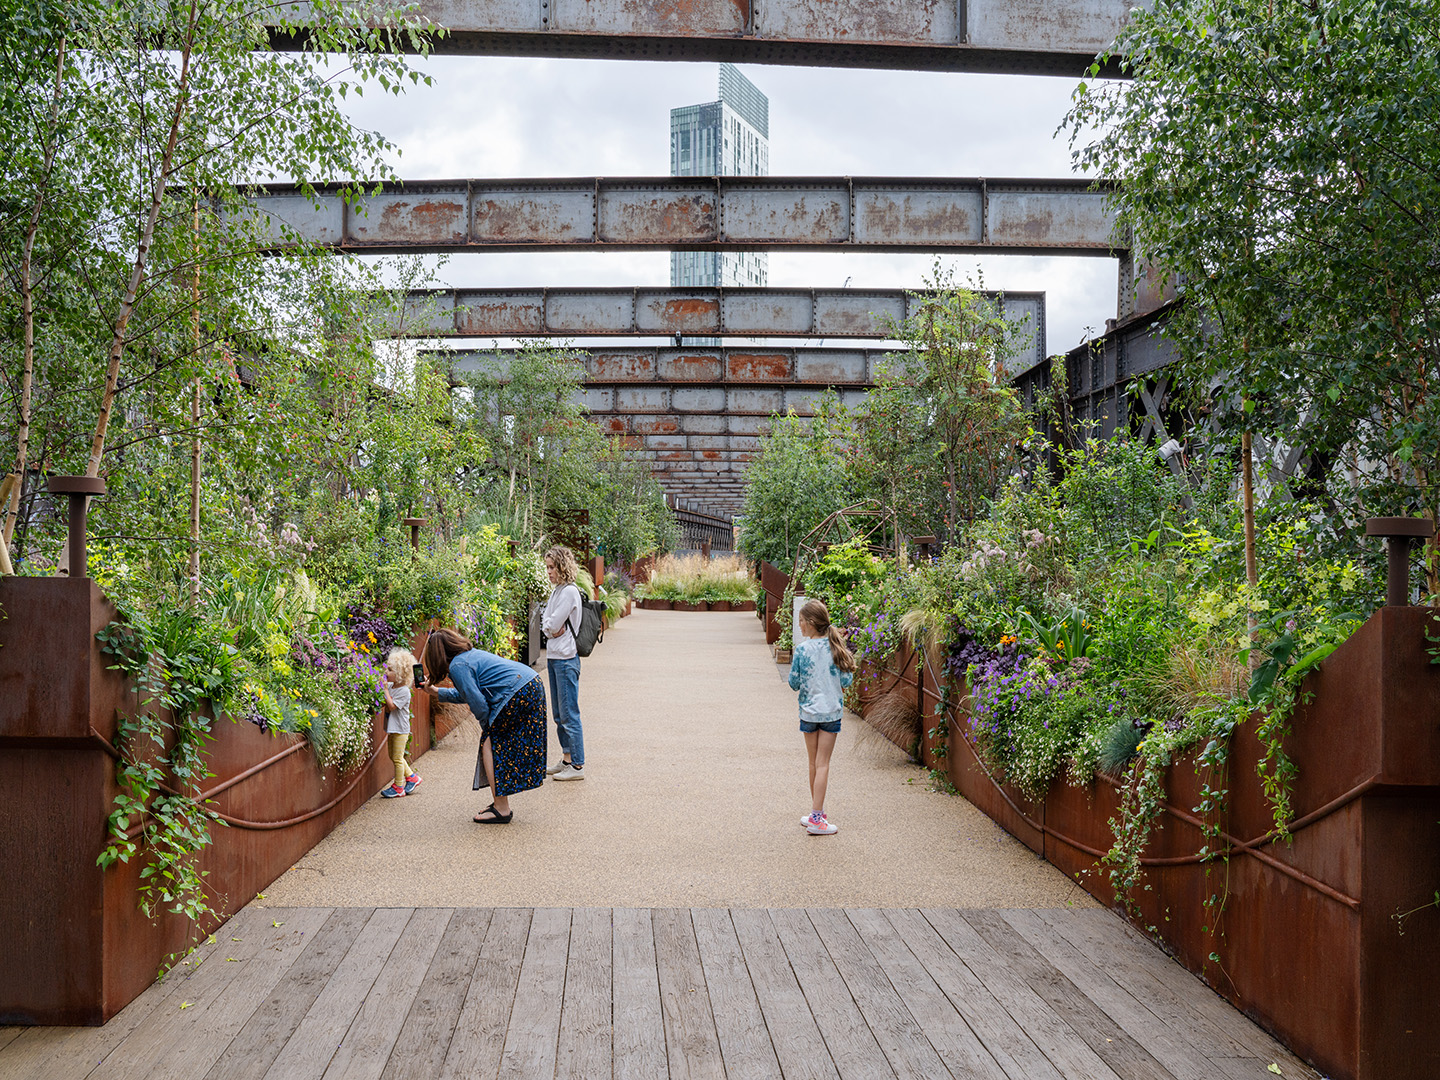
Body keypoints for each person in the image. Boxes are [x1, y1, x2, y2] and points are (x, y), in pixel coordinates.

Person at [422, 628, 546, 823]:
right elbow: (469, 695)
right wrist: (436, 692)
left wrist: (487, 727)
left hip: (518, 692)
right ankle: (500, 803)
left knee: (489, 742)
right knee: (493, 741)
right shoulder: (469, 657)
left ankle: (501, 808)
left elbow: (478, 703)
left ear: (437, 655)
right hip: (530, 684)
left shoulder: (457, 666)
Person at [788, 599, 856, 835]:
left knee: (813, 763)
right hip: (830, 713)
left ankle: (816, 813)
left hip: (808, 712)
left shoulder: (802, 650)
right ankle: (817, 817)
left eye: (800, 622)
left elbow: (793, 683)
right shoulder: (836, 648)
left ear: (809, 623)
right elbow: (847, 681)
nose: (799, 626)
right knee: (823, 763)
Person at [540, 545, 586, 781]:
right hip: (555, 657)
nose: (548, 572)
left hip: (567, 659)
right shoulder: (557, 591)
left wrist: (549, 626)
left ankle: (577, 766)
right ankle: (567, 758)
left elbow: (553, 625)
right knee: (559, 715)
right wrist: (549, 626)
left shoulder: (569, 592)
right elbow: (545, 623)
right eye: (547, 567)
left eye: (552, 567)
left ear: (562, 567)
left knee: (569, 714)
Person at [379, 648, 422, 799]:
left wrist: (384, 689)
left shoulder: (404, 691)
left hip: (401, 730)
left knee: (397, 758)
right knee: (393, 755)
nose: (386, 671)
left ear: (400, 675)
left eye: (390, 670)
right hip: (393, 728)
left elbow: (391, 706)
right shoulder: (392, 686)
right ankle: (412, 777)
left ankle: (398, 787)